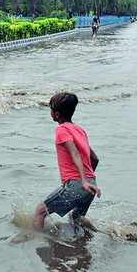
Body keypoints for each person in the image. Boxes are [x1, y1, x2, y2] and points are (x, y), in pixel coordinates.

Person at [34, 92, 101, 231]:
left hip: (79, 183)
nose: (50, 112)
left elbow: (74, 153)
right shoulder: (79, 130)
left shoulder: (61, 130)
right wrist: (88, 180)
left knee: (40, 212)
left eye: (51, 110)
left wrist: (82, 181)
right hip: (91, 184)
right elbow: (94, 158)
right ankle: (102, 235)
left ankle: (35, 241)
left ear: (56, 114)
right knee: (76, 218)